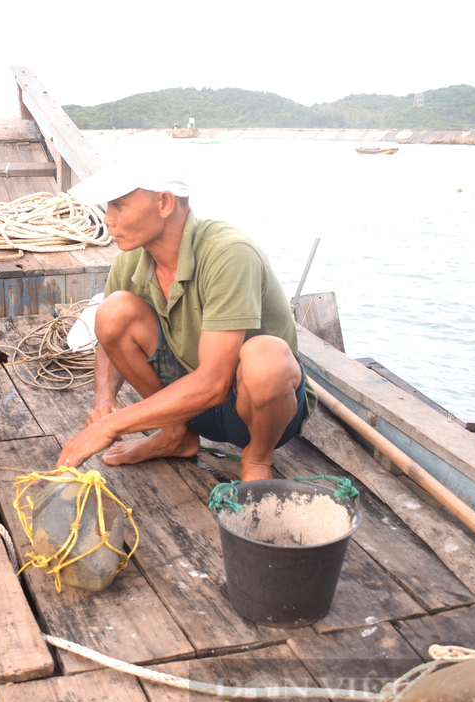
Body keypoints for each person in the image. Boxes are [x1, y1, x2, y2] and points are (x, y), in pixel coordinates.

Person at [56, 132, 313, 482]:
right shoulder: (129, 261)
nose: (108, 219)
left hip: (254, 411)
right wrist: (104, 401)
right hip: (191, 406)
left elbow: (215, 383)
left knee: (265, 358)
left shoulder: (229, 252)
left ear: (164, 203)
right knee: (112, 310)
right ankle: (176, 434)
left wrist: (113, 426)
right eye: (107, 206)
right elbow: (108, 340)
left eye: (118, 204)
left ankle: (256, 459)